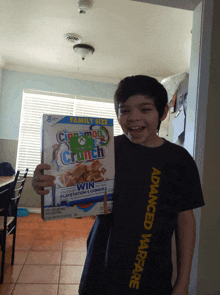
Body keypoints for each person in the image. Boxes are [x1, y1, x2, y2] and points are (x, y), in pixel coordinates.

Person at [32, 75, 205, 295]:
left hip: (152, 272)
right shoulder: (104, 151)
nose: (133, 118)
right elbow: (75, 205)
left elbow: (186, 220)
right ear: (117, 115)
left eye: (145, 109)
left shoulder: (179, 160)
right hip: (101, 269)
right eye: (125, 111)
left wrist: (183, 283)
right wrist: (46, 188)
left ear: (162, 113)